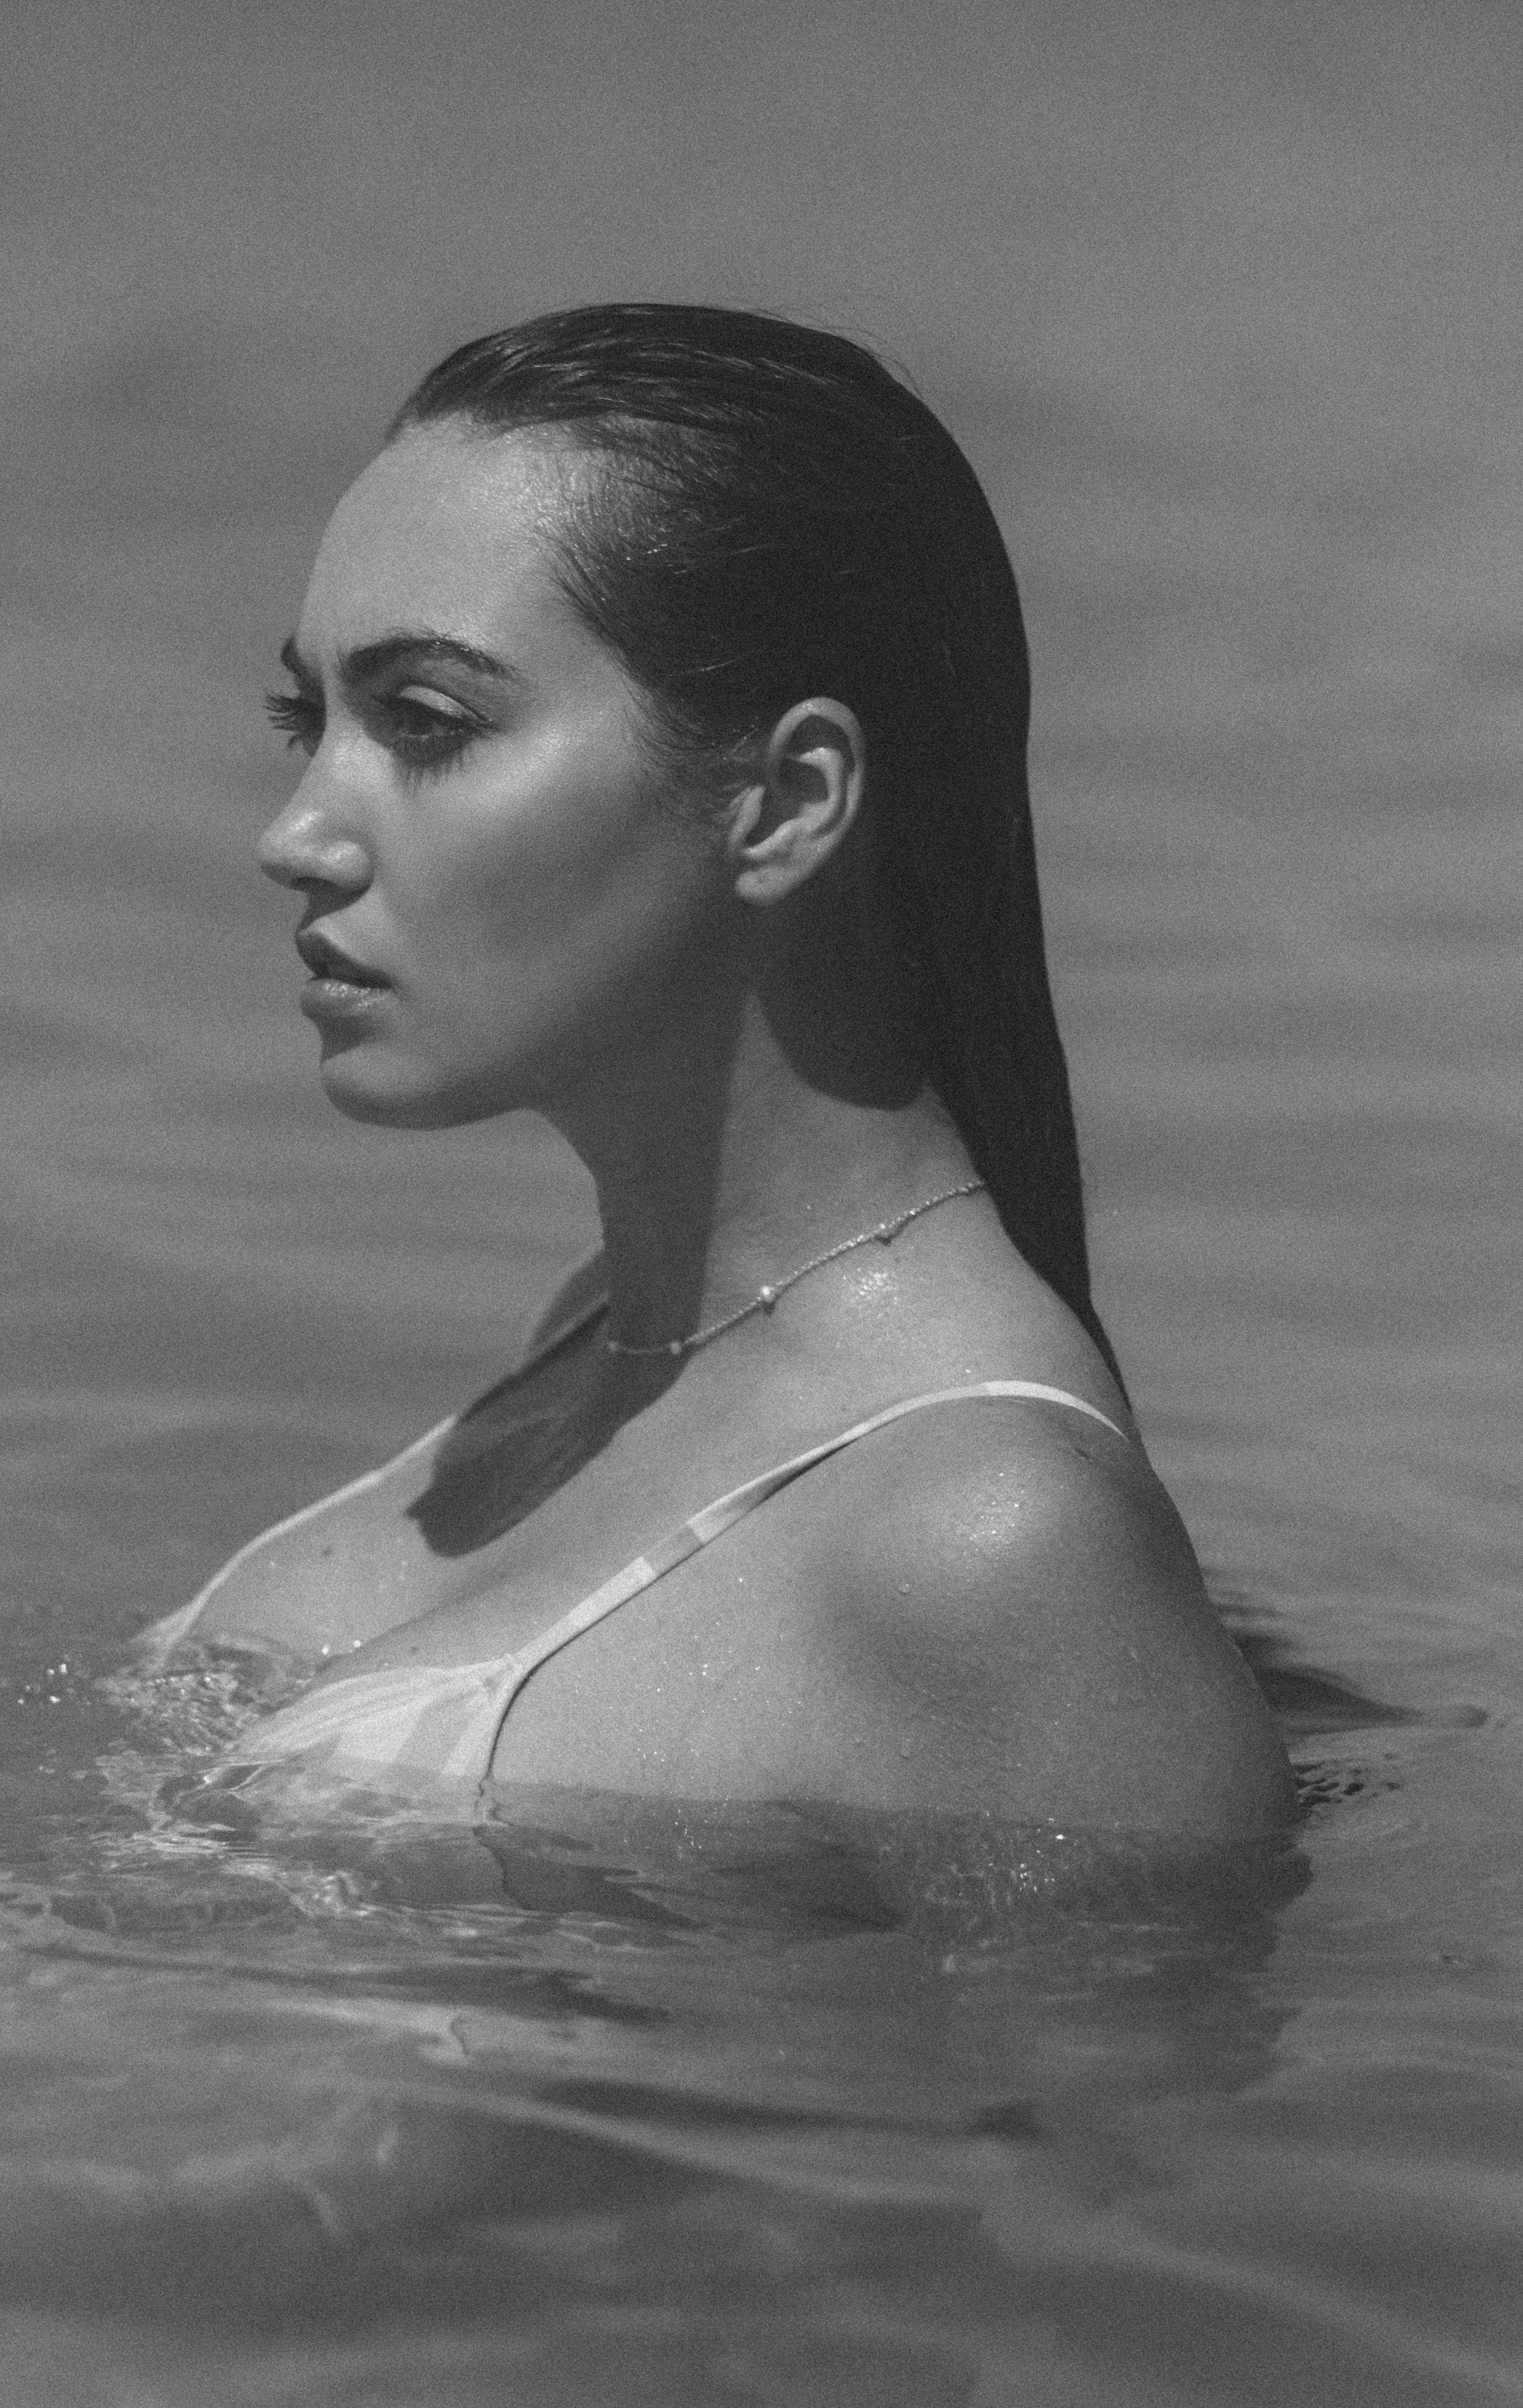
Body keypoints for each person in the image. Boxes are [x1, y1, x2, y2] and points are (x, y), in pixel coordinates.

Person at [147, 304, 1293, 1841]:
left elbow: (1123, 2081)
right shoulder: (623, 1335)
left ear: (785, 800)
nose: (296, 832)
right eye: (310, 718)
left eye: (425, 723)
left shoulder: (983, 1540)